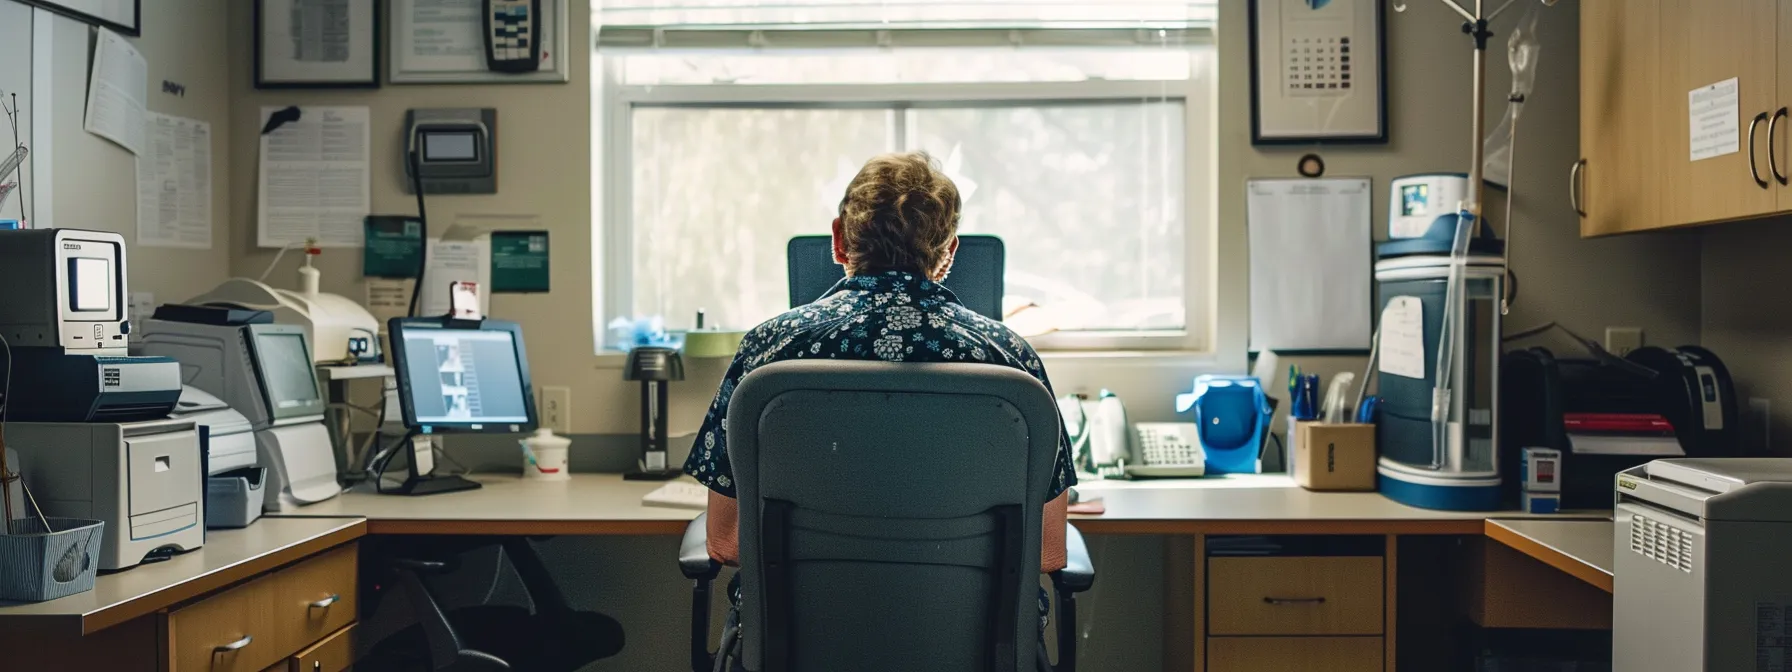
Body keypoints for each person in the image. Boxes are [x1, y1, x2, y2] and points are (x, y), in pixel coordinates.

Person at [683, 151, 1077, 666]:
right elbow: (1049, 552)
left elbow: (726, 542)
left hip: (799, 649)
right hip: (974, 650)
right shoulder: (1011, 361)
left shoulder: (769, 350)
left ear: (839, 239)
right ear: (949, 252)